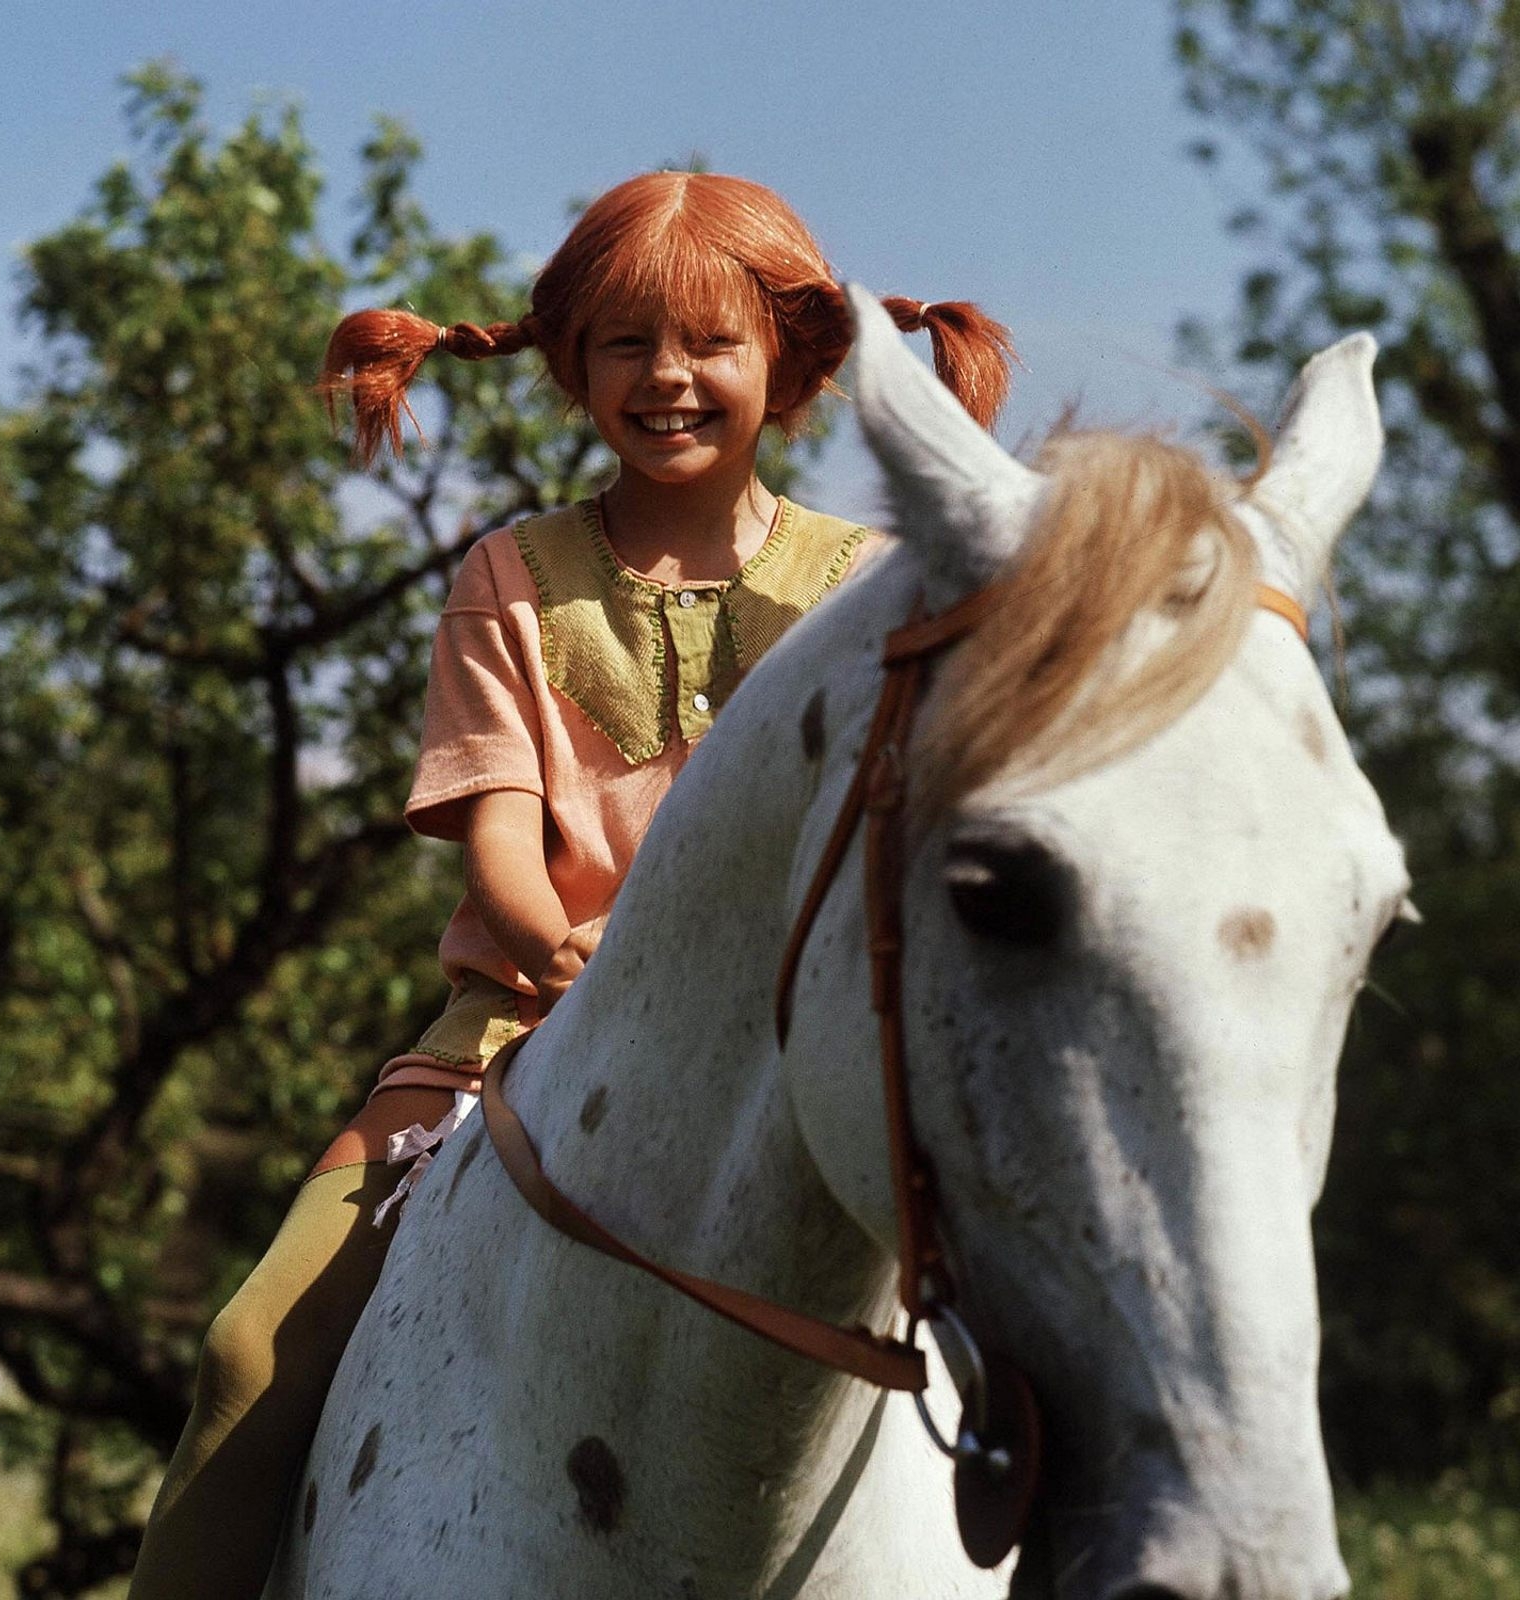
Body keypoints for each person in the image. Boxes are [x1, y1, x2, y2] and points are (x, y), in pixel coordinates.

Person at [128, 169, 1014, 1599]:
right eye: (624, 343)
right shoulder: (511, 576)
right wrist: (581, 966)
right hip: (517, 1037)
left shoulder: (874, 587)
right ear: (570, 366)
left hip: (813, 1056)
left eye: (711, 343)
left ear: (787, 360)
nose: (667, 378)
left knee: (1068, 1319)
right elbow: (503, 855)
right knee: (246, 1354)